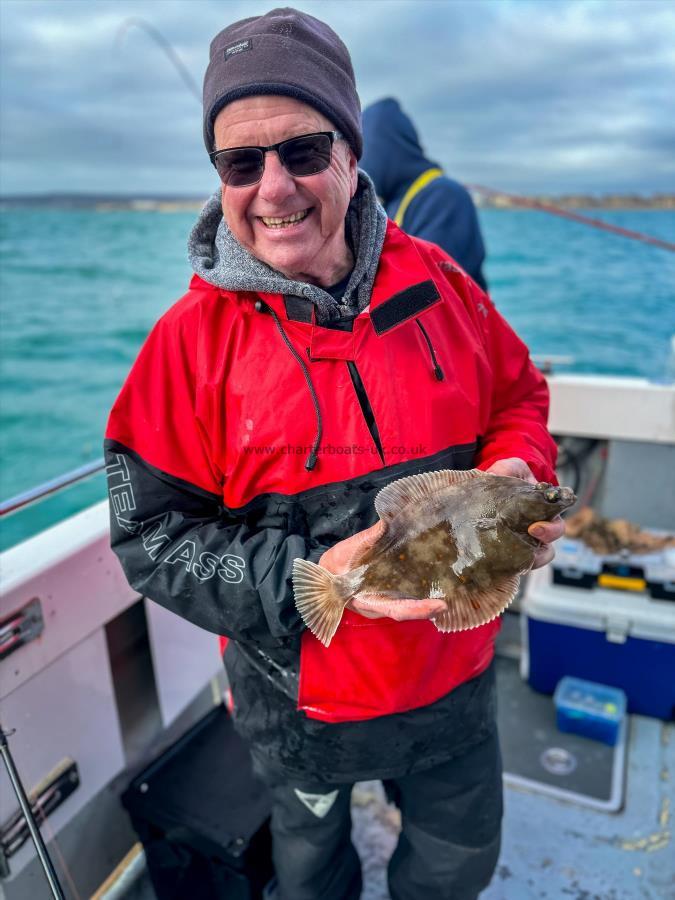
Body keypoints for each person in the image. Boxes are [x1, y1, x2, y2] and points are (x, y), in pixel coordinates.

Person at [104, 8, 562, 899]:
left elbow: (518, 397)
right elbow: (149, 537)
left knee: (457, 858)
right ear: (221, 178)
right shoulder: (184, 348)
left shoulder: (442, 285)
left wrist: (512, 466)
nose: (273, 188)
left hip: (453, 677)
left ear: (351, 157)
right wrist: (301, 577)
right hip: (298, 696)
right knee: (311, 870)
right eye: (241, 162)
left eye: (304, 151)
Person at [361, 97, 488, 291]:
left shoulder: (445, 197)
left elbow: (423, 286)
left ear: (385, 151)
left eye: (361, 153)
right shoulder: (393, 202)